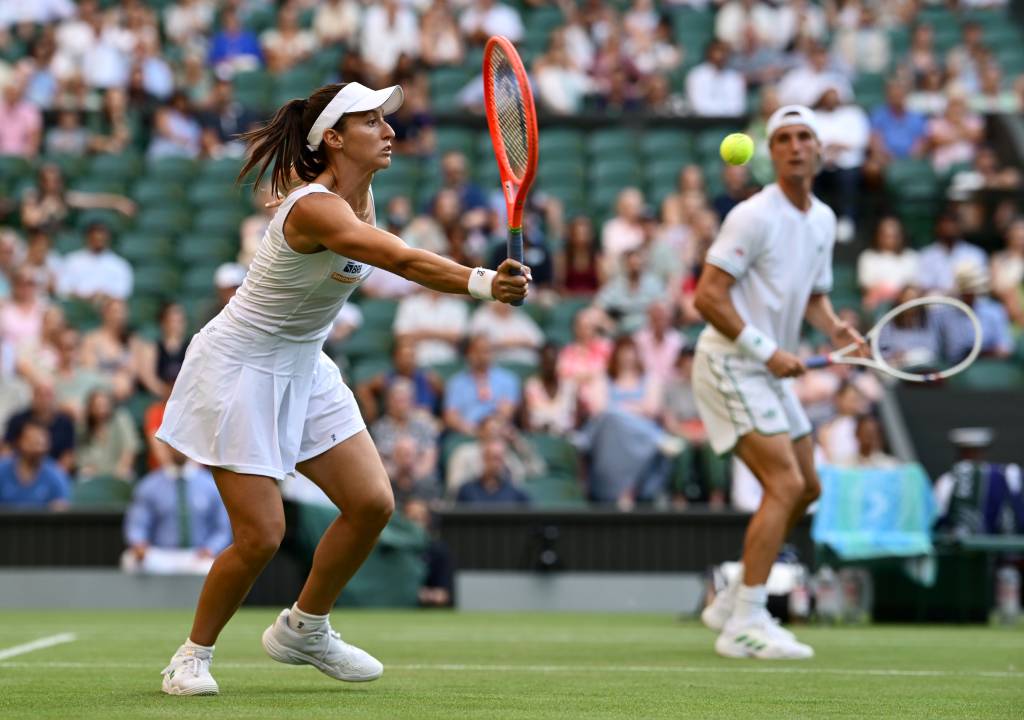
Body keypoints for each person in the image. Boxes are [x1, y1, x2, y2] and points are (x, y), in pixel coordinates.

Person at [153, 81, 529, 696]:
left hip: (304, 361)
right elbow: (403, 261)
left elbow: (384, 265)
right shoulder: (315, 208)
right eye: (373, 122)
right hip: (239, 366)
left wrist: (476, 279)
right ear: (333, 137)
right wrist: (484, 282)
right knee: (262, 536)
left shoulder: (365, 198)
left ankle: (306, 627)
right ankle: (191, 655)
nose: (389, 132)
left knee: (373, 504)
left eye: (388, 122)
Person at [692, 105, 867, 659]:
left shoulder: (823, 220)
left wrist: (837, 329)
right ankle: (745, 622)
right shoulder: (751, 216)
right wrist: (769, 351)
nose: (795, 146)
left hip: (765, 372)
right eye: (784, 139)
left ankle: (731, 600)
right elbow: (707, 296)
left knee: (808, 488)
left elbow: (811, 296)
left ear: (820, 151)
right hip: (728, 363)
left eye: (804, 138)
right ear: (770, 153)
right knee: (784, 486)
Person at [123, 445, 232, 575]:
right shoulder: (149, 485)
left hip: (198, 556)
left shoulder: (211, 485)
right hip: (160, 556)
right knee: (129, 560)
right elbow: (137, 524)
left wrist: (211, 549)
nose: (179, 450)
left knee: (213, 567)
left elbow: (222, 529)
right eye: (174, 446)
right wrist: (139, 545)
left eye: (183, 445)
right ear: (167, 447)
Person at [0, 418, 70, 510]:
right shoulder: (2, 470)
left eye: (41, 443)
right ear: (18, 442)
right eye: (31, 442)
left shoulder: (56, 474)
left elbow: (62, 507)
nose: (37, 448)